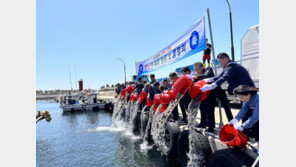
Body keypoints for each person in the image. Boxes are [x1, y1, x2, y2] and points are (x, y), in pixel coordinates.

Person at [193, 62, 216, 132]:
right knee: (202, 108)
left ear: (201, 67)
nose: (196, 70)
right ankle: (202, 123)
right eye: (195, 69)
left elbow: (206, 76)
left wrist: (196, 77)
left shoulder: (208, 70)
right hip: (203, 95)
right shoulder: (196, 74)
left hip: (212, 93)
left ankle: (211, 127)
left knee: (210, 110)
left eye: (197, 69)